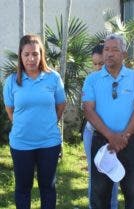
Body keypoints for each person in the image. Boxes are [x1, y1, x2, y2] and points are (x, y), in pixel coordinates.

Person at [82, 34, 134, 209]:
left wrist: (124, 136)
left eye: (115, 49)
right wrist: (111, 136)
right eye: (106, 49)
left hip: (130, 142)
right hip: (102, 143)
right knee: (99, 194)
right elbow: (88, 109)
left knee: (133, 194)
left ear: (124, 54)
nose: (109, 54)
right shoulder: (92, 79)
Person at [2, 34, 66, 209]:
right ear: (20, 56)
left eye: (35, 54)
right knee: (23, 188)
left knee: (48, 187)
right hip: (21, 144)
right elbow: (10, 110)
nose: (31, 58)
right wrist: (25, 126)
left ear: (41, 55)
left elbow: (61, 105)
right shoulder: (11, 81)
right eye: (26, 54)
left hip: (49, 143)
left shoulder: (53, 78)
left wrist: (47, 123)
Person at [82, 44, 119, 209]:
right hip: (92, 134)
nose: (97, 68)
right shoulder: (90, 80)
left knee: (113, 173)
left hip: (115, 136)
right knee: (94, 176)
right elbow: (88, 110)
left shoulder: (120, 80)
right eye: (94, 64)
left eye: (100, 64)